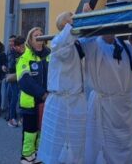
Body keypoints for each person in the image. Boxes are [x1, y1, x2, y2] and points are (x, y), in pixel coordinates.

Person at [82, 8, 132, 164]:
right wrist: (89, 17)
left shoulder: (126, 46)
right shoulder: (92, 46)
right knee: (102, 148)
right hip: (104, 106)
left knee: (124, 148)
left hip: (124, 107)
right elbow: (80, 39)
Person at [38, 12, 87, 164]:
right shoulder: (58, 42)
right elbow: (64, 49)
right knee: (56, 146)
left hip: (76, 101)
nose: (75, 19)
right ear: (66, 25)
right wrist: (73, 25)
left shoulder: (76, 42)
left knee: (76, 143)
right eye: (71, 17)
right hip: (60, 102)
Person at [17, 27, 51, 164]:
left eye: (41, 35)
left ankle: (39, 157)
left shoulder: (50, 55)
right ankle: (27, 158)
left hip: (48, 102)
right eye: (36, 36)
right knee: (30, 135)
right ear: (30, 40)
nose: (39, 38)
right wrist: (42, 94)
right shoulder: (24, 58)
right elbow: (25, 81)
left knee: (43, 134)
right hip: (31, 103)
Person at [6, 36, 25, 127]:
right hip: (13, 77)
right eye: (10, 41)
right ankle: (11, 118)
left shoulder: (22, 52)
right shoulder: (11, 52)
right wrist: (19, 59)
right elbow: (11, 66)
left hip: (21, 76)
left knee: (19, 96)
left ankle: (19, 116)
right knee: (14, 96)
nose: (11, 43)